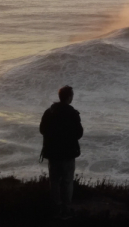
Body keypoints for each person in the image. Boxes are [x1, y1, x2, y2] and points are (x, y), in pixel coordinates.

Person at [39, 85, 83, 219]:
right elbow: (79, 133)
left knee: (54, 181)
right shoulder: (73, 113)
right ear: (69, 97)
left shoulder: (49, 111)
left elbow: (42, 130)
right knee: (67, 181)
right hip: (68, 153)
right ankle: (65, 208)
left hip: (52, 152)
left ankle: (55, 207)